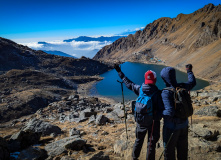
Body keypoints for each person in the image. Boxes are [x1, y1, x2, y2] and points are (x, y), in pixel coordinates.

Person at [114, 64, 163, 160]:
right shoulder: (157, 93)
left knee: (138, 140)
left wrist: (120, 72)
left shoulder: (140, 89)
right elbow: (161, 109)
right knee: (151, 143)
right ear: (155, 80)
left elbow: (129, 84)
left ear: (145, 80)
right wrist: (157, 118)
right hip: (153, 122)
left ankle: (134, 157)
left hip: (141, 120)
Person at [160, 64, 196, 160]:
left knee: (169, 152)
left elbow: (169, 112)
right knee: (183, 150)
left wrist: (159, 114)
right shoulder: (182, 86)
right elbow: (192, 82)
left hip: (172, 128)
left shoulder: (166, 92)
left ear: (164, 79)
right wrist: (189, 71)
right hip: (184, 124)